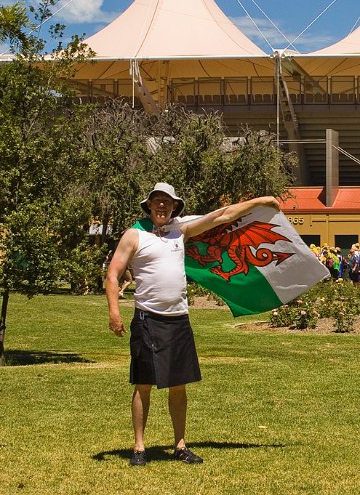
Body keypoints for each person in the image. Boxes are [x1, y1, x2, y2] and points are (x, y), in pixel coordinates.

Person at [106, 182, 280, 467]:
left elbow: (223, 216)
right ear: (148, 206)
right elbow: (113, 274)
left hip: (178, 321)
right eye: (157, 201)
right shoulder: (134, 235)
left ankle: (180, 445)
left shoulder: (181, 229)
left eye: (167, 202)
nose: (162, 206)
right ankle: (139, 448)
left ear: (175, 207)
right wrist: (114, 312)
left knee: (179, 385)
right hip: (147, 319)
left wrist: (261, 201)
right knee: (144, 384)